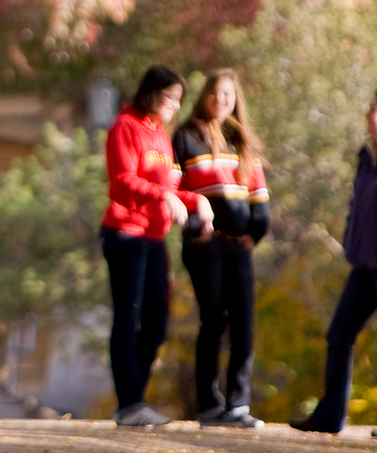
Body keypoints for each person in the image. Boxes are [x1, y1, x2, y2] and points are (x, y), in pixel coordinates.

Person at [290, 92, 377, 438]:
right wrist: (350, 239)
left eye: (373, 111)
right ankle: (330, 414)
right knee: (338, 334)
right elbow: (357, 202)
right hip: (363, 261)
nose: (367, 116)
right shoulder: (366, 154)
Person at [100, 65, 212, 428]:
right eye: (170, 99)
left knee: (157, 323)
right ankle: (130, 404)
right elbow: (122, 183)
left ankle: (134, 401)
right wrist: (164, 195)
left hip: (153, 237)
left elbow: (169, 190)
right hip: (125, 233)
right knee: (128, 318)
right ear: (151, 93)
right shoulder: (125, 127)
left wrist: (196, 202)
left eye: (179, 101)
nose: (175, 107)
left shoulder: (161, 136)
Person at [172, 69, 269, 429]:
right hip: (204, 245)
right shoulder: (186, 136)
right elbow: (174, 188)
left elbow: (259, 196)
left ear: (235, 98)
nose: (220, 100)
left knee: (244, 323)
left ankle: (238, 403)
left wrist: (255, 233)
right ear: (205, 97)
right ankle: (208, 405)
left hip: (238, 246)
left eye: (227, 94)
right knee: (213, 320)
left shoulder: (241, 140)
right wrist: (195, 226)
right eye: (214, 94)